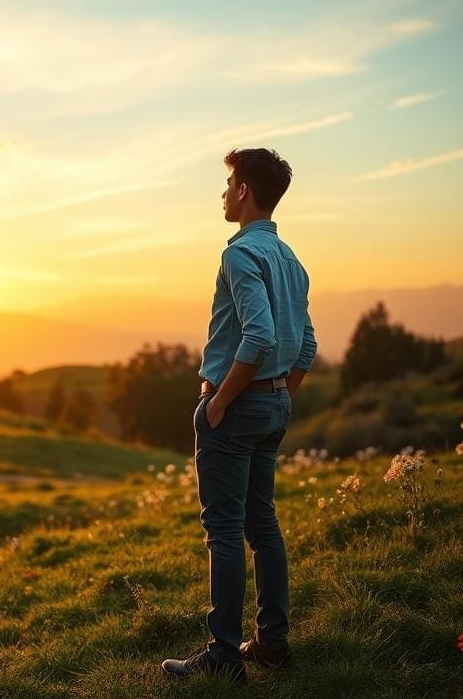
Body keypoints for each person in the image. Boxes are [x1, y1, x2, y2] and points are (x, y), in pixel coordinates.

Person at [162, 147, 318, 684]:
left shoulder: (239, 256)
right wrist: (280, 393)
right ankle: (272, 644)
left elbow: (259, 335)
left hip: (238, 406)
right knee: (262, 525)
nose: (224, 193)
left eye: (229, 183)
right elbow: (306, 344)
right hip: (274, 404)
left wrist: (222, 401)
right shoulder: (292, 260)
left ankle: (224, 654)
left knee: (224, 530)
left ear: (245, 190)